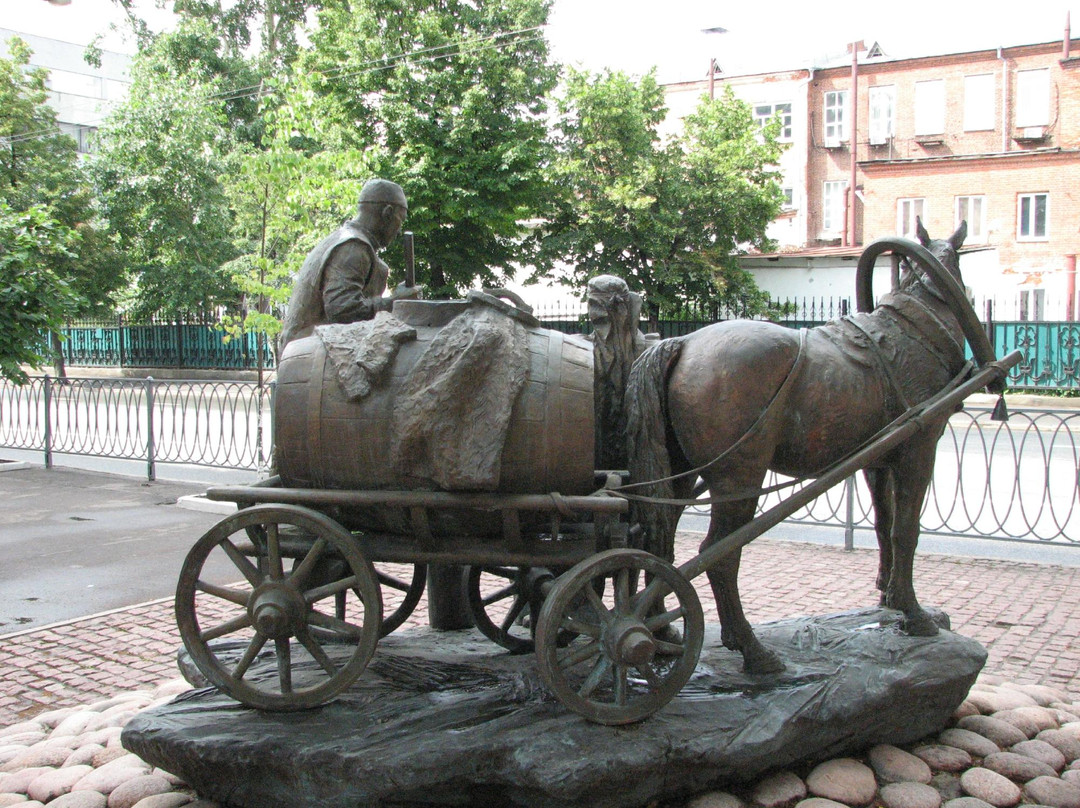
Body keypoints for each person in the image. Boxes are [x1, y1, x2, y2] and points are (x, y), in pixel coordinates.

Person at [280, 178, 420, 347]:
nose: (399, 229)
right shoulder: (353, 248)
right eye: (400, 219)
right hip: (310, 353)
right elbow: (343, 311)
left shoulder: (347, 240)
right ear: (387, 213)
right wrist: (394, 302)